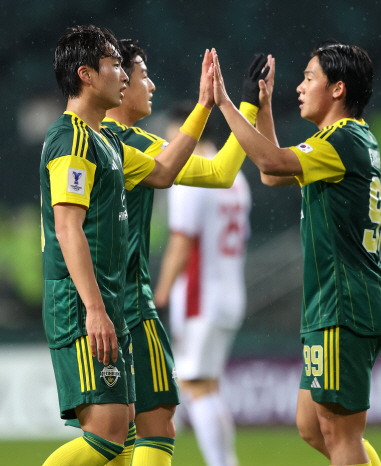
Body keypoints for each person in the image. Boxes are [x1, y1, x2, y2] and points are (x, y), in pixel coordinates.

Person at [207, 42, 381, 466]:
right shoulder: (343, 140)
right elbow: (273, 176)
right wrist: (265, 108)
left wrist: (227, 104)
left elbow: (270, 162)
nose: (300, 87)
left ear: (338, 89)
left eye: (309, 78)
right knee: (312, 424)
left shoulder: (342, 141)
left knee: (340, 431)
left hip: (345, 304)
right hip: (334, 302)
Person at [89, 39, 272, 466]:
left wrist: (240, 105)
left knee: (141, 423)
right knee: (126, 427)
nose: (150, 85)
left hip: (131, 301)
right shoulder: (104, 144)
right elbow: (223, 174)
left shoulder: (126, 144)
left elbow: (217, 173)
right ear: (117, 82)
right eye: (143, 76)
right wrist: (223, 105)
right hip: (112, 302)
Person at [40, 25, 214, 466]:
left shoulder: (105, 141)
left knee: (123, 428)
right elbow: (67, 229)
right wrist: (95, 311)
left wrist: (206, 107)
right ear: (85, 75)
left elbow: (163, 171)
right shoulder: (72, 140)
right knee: (107, 434)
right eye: (115, 65)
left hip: (107, 302)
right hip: (83, 304)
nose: (123, 74)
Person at [153, 112, 252, 466]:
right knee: (203, 386)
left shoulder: (191, 174)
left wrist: (159, 294)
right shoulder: (235, 176)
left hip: (200, 297)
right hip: (229, 292)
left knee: (196, 386)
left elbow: (181, 243)